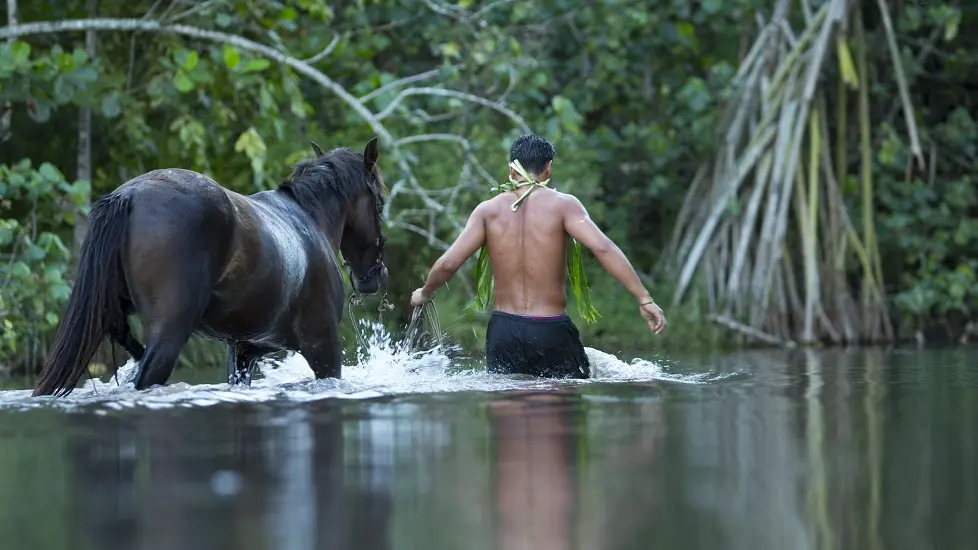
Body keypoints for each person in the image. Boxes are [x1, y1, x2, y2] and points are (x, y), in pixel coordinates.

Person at [410, 133, 666, 378]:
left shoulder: (487, 211)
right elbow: (603, 248)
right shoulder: (564, 205)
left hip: (503, 331)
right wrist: (644, 298)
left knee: (508, 413)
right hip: (549, 328)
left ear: (511, 170)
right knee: (559, 411)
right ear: (548, 168)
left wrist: (425, 292)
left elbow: (450, 262)